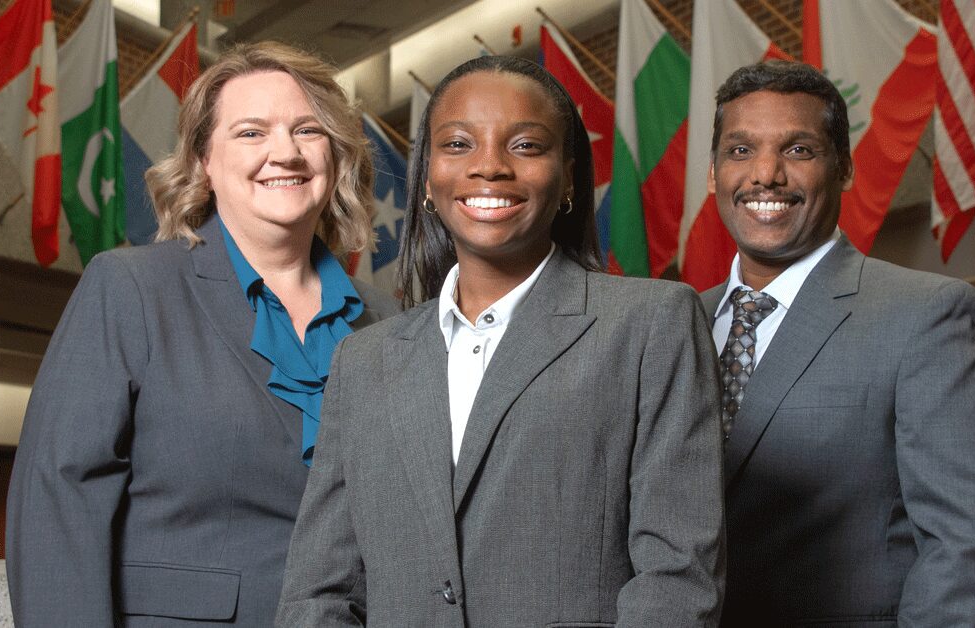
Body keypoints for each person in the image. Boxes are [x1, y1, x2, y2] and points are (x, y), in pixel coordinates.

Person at [277, 55, 724, 627]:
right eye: (459, 144)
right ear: (428, 183)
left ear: (567, 179)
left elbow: (678, 577)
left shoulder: (650, 324)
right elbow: (320, 590)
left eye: (526, 146)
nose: (489, 167)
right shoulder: (364, 359)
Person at [5, 42, 399, 626]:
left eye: (307, 130)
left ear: (336, 157)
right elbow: (56, 506)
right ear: (203, 162)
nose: (284, 152)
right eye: (250, 133)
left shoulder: (387, 319)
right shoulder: (131, 289)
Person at [700, 59, 975, 625]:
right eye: (740, 151)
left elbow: (974, 546)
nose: (766, 175)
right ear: (713, 173)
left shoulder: (928, 315)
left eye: (798, 150)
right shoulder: (677, 323)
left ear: (845, 168)